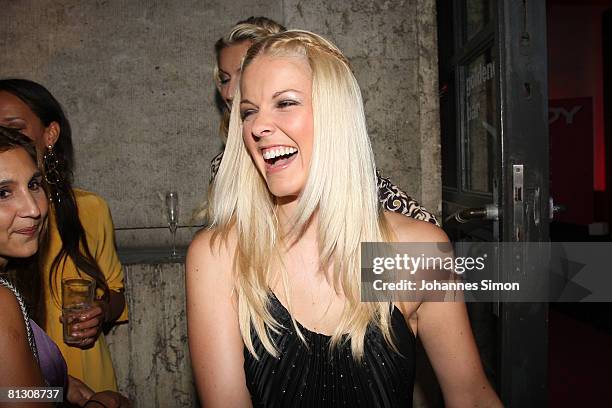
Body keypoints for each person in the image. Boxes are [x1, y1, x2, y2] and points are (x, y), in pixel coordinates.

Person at [186, 30, 502, 407]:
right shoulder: (221, 257)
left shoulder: (411, 250)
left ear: (336, 115)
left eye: (285, 103)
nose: (257, 127)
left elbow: (469, 394)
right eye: (249, 111)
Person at [208, 17, 439, 225]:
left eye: (285, 103)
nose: (229, 92)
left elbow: (419, 233)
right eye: (225, 78)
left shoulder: (402, 239)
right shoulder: (224, 170)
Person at [0, 79, 127, 392]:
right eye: (3, 192)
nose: (30, 209)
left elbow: (115, 289)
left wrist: (100, 310)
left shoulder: (89, 209)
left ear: (50, 134)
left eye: (13, 129)